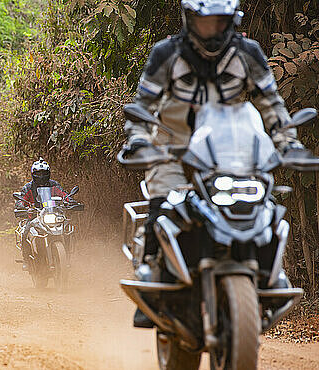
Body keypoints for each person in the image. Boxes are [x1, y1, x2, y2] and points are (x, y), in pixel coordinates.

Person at [122, 0, 313, 327]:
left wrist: (289, 144)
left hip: (230, 151)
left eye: (220, 22)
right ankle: (153, 275)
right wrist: (138, 141)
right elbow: (142, 106)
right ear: (190, 19)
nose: (213, 30)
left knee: (263, 204)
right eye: (205, 22)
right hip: (173, 150)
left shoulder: (248, 54)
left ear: (232, 20)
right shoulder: (166, 54)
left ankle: (269, 272)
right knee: (163, 202)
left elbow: (272, 107)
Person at [15, 158, 72, 270]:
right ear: (33, 174)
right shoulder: (28, 187)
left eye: (44, 173)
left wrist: (70, 201)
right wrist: (23, 208)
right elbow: (20, 200)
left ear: (48, 173)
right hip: (34, 217)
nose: (41, 176)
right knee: (25, 232)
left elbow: (64, 195)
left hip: (53, 215)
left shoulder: (54, 185)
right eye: (38, 173)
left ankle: (67, 257)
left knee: (68, 229)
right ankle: (26, 259)